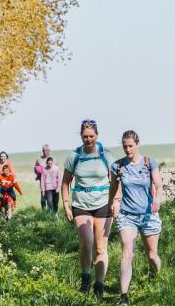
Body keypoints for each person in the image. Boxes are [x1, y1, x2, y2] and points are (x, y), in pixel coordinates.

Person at [61, 119, 116, 297]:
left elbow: (116, 181)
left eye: (91, 136)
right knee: (86, 243)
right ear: (81, 136)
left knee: (100, 248)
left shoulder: (106, 155)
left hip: (103, 204)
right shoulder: (74, 156)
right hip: (81, 204)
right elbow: (65, 181)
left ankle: (99, 285)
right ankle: (85, 277)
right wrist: (66, 204)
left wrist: (116, 200)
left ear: (97, 136)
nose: (88, 139)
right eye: (85, 136)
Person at [109, 130, 162, 306]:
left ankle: (157, 279)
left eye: (130, 146)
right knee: (127, 254)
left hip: (148, 215)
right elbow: (114, 188)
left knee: (152, 255)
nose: (128, 150)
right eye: (125, 146)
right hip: (127, 216)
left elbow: (158, 184)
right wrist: (112, 203)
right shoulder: (118, 166)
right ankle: (123, 296)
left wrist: (157, 200)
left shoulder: (149, 162)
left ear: (137, 144)